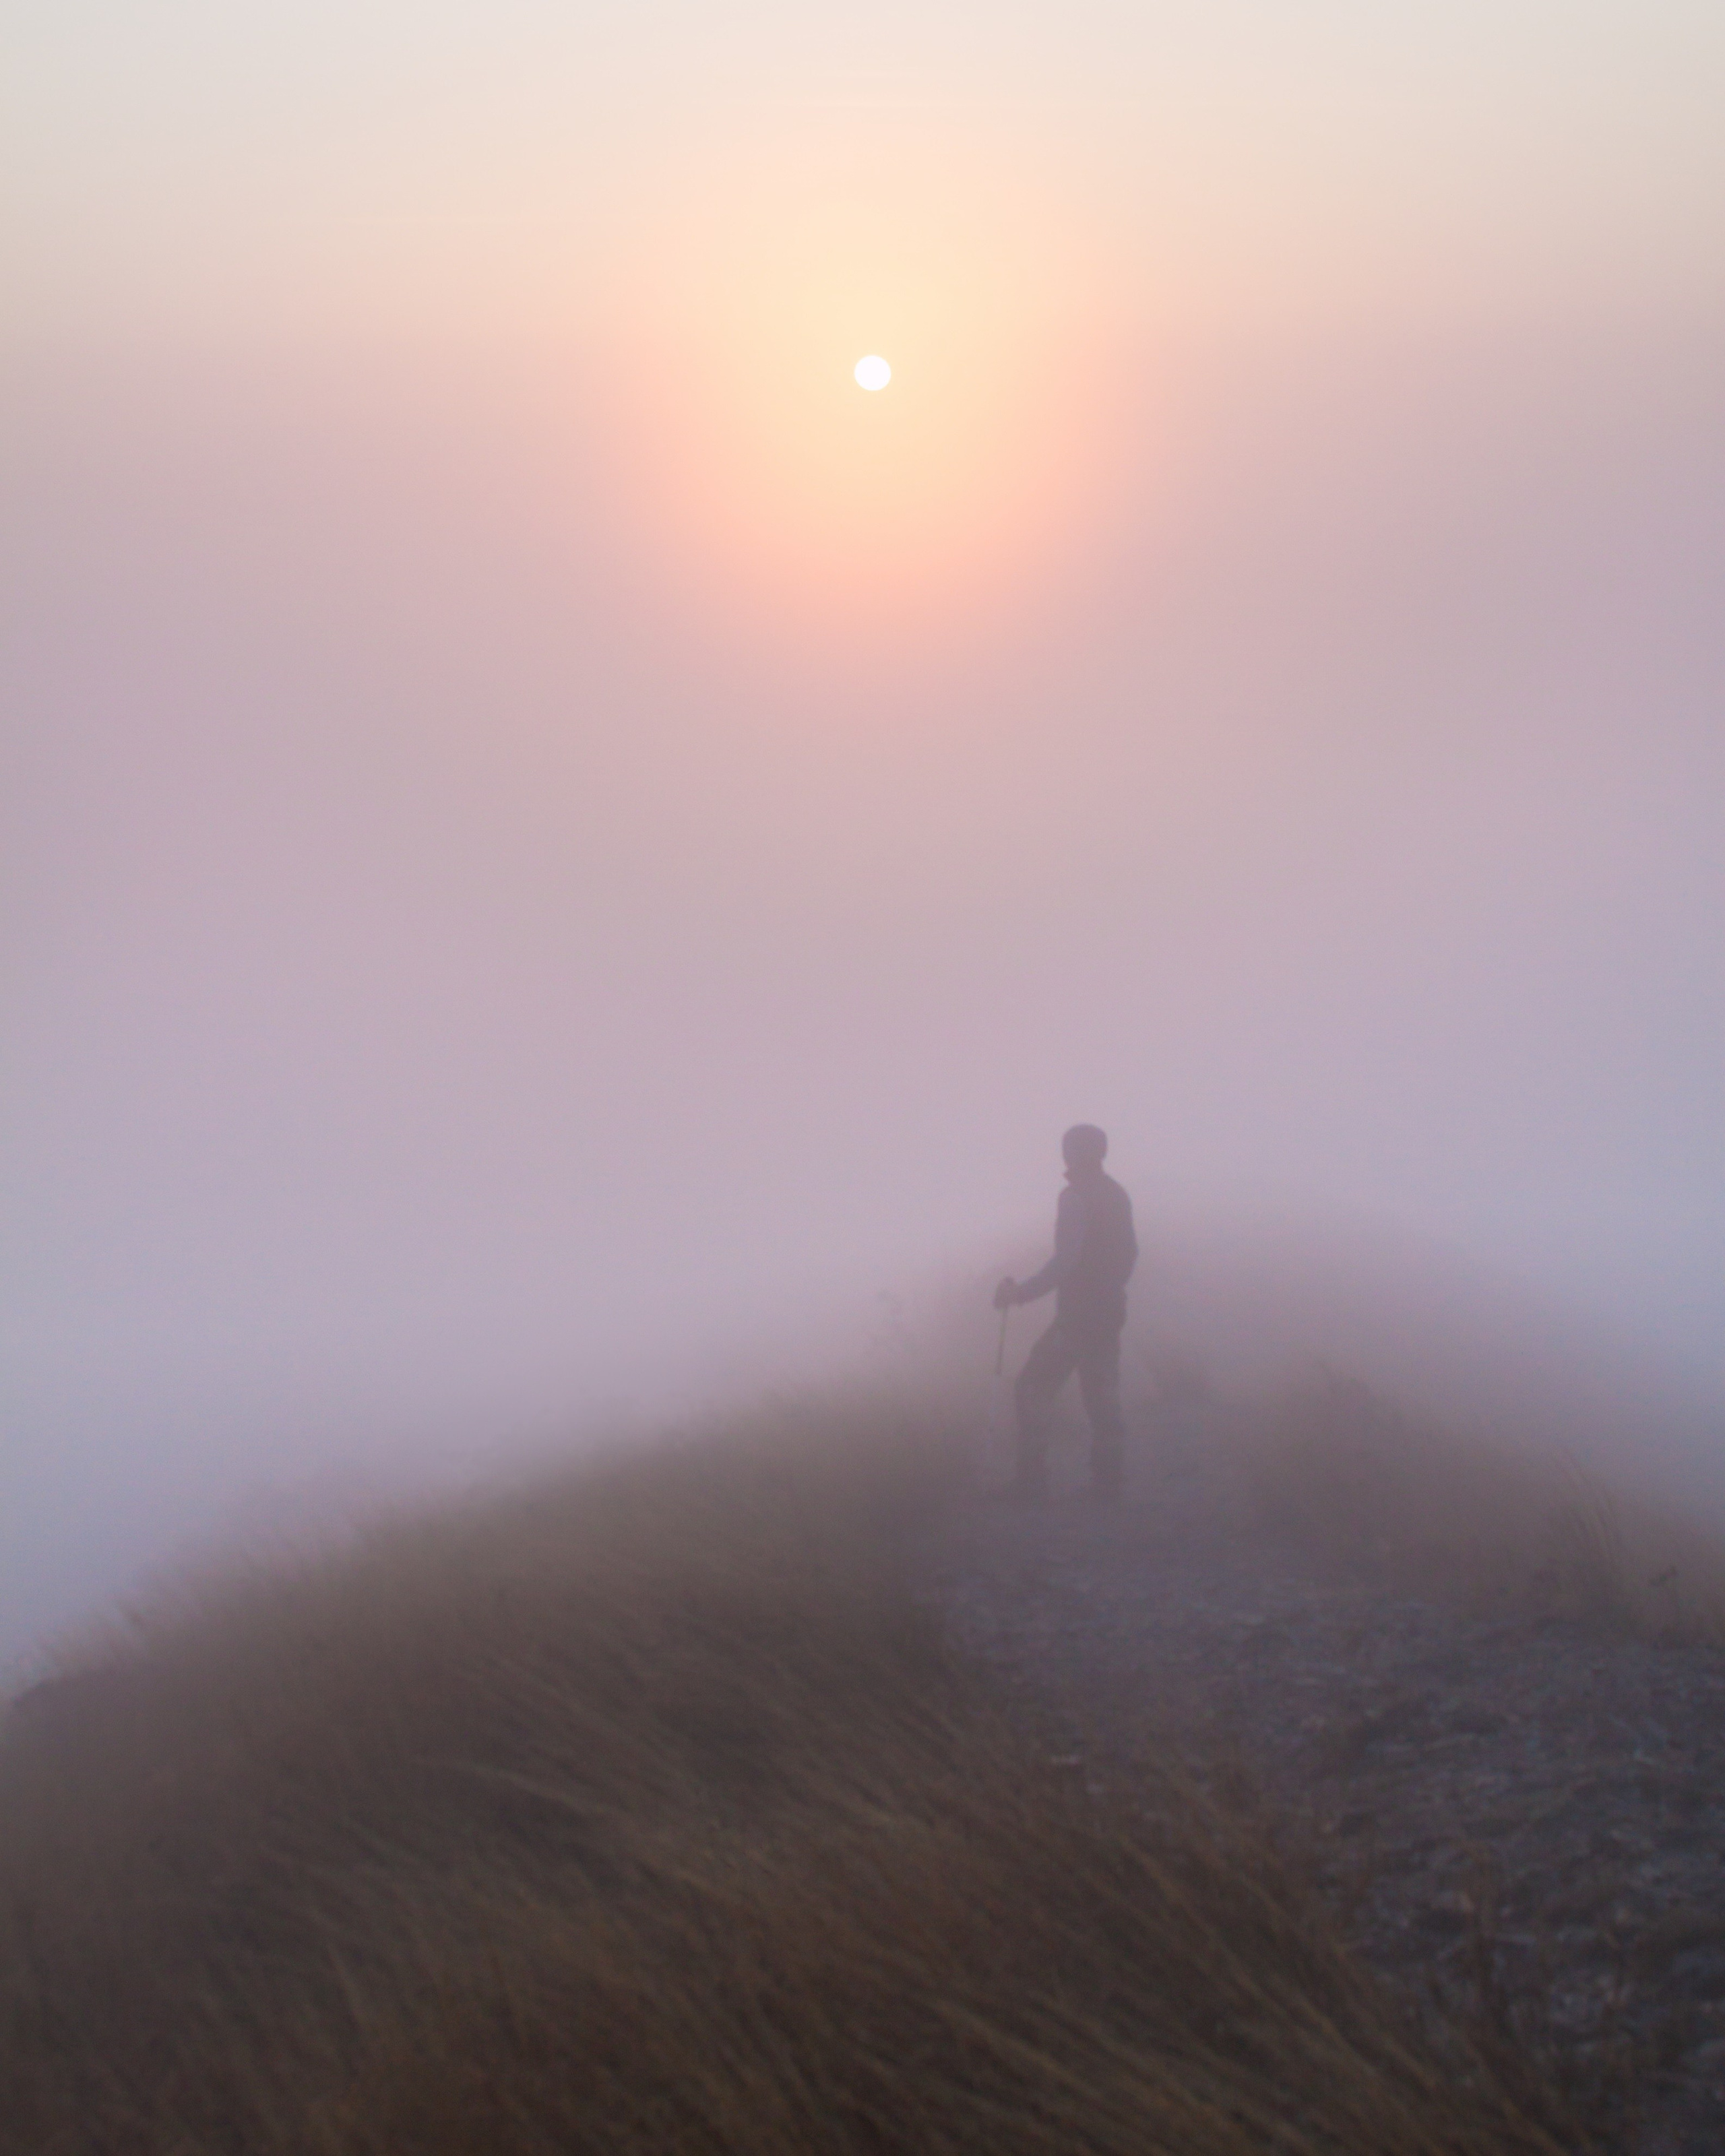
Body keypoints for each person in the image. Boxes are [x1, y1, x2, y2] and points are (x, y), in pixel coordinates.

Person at [994, 1124, 1137, 1500]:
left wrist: (1018, 1294)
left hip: (1078, 1315)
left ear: (1071, 1153)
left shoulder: (1074, 1197)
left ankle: (1031, 1481)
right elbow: (1130, 1254)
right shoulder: (1117, 1194)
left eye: (1068, 1148)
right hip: (1109, 1310)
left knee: (1032, 1387)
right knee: (1102, 1392)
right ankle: (1109, 1484)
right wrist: (1112, 1291)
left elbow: (1065, 1262)